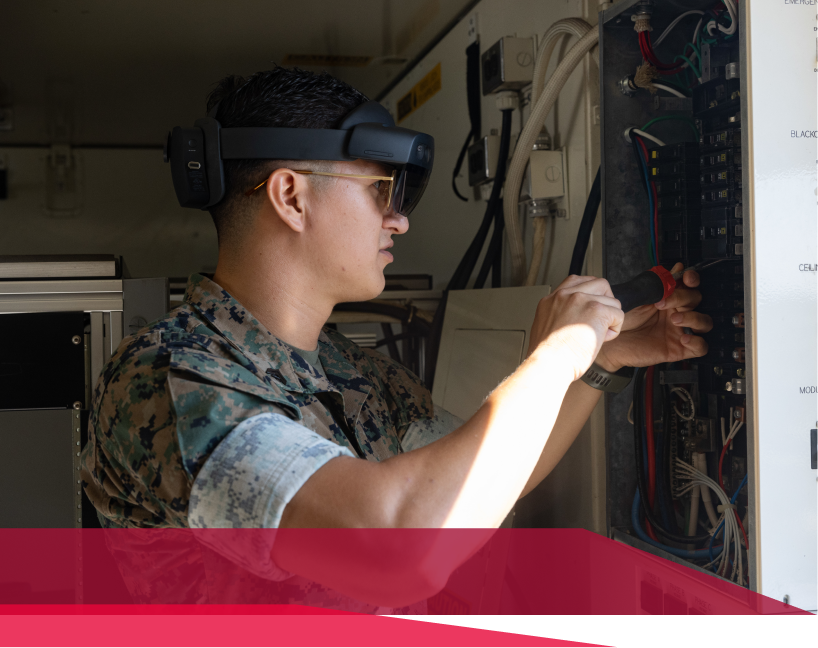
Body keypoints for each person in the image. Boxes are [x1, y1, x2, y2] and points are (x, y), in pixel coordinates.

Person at [80, 66, 712, 607]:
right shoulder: (175, 377)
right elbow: (398, 548)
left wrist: (603, 357)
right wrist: (555, 355)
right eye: (383, 189)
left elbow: (471, 488)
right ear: (291, 197)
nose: (400, 219)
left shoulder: (350, 370)